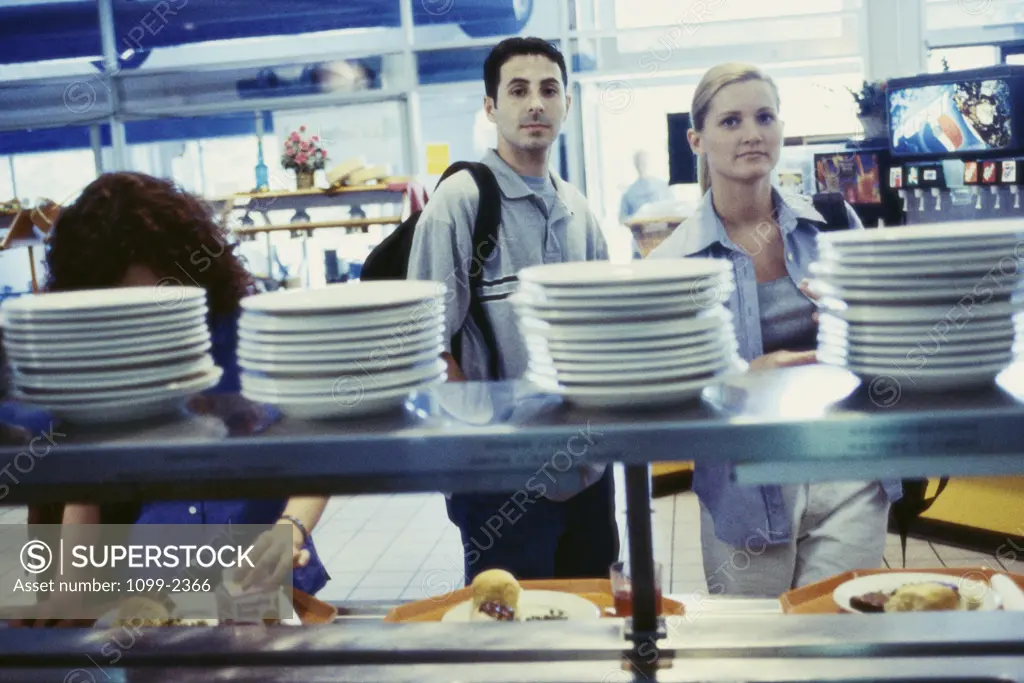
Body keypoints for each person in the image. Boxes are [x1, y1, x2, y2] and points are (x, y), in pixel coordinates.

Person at [649, 63, 902, 597]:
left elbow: (889, 338)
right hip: (746, 481)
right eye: (731, 121)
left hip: (849, 469)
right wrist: (740, 380)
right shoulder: (674, 264)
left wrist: (856, 324)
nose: (752, 134)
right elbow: (659, 398)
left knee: (840, 642)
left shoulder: (834, 223)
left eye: (764, 116)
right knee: (755, 651)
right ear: (697, 139)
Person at [25, 172, 330, 615]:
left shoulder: (257, 335)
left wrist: (290, 529)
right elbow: (85, 481)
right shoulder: (99, 356)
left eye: (153, 302)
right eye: (115, 308)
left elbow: (318, 446)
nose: (137, 327)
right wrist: (73, 587)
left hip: (267, 585)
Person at [407, 37, 619, 583]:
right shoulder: (459, 202)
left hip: (586, 465)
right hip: (501, 478)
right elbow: (423, 341)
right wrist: (476, 439)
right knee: (511, 635)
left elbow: (604, 329)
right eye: (518, 90)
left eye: (549, 90)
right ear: (490, 106)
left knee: (592, 621)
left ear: (567, 104)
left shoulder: (578, 210)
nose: (535, 104)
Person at [619, 150, 673, 224]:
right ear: (635, 165)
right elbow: (623, 219)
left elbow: (673, 210)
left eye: (644, 162)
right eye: (639, 163)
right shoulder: (628, 194)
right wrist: (635, 221)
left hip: (663, 230)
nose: (641, 165)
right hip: (640, 233)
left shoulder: (662, 186)